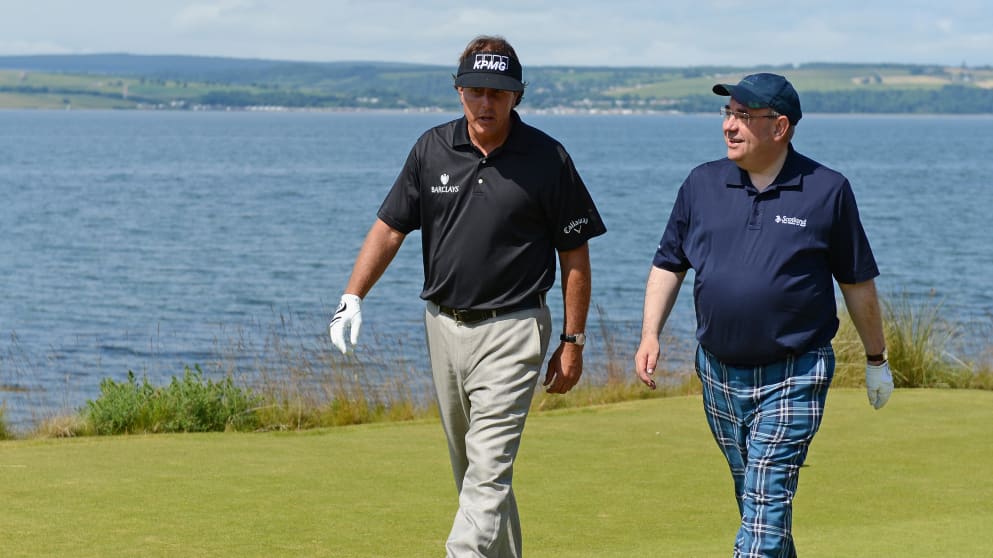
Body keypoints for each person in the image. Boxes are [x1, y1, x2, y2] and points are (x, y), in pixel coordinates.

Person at [328, 35, 606, 558]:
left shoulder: (548, 158)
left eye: (497, 93)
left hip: (515, 329)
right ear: (459, 92)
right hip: (443, 328)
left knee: (488, 467)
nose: (486, 103)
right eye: (476, 90)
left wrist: (572, 340)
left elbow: (574, 254)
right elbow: (390, 228)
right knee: (475, 472)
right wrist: (353, 295)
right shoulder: (431, 148)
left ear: (517, 96)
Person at [634, 73, 894, 557]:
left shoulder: (827, 190)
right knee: (755, 499)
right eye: (728, 114)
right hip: (717, 372)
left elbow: (856, 282)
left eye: (743, 116)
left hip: (795, 371)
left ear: (780, 128)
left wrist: (877, 360)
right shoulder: (701, 183)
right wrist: (650, 333)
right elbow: (669, 262)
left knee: (766, 492)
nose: (729, 126)